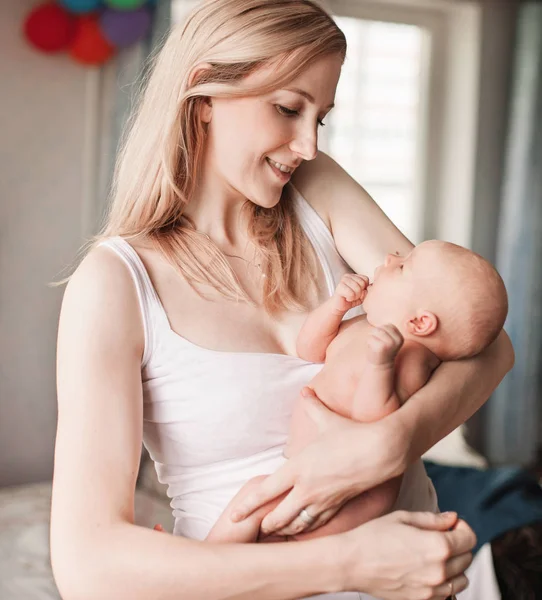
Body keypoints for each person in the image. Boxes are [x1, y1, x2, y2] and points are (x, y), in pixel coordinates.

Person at [50, 1, 514, 599]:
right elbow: (88, 567)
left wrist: (393, 441)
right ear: (203, 94)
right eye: (289, 108)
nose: (309, 145)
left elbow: (485, 342)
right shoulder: (117, 283)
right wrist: (349, 564)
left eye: (321, 117)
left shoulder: (316, 194)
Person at [204, 240, 508, 544]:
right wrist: (336, 307)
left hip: (357, 496)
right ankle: (205, 568)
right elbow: (310, 349)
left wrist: (380, 365)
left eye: (403, 266)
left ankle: (202, 566)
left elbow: (375, 422)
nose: (390, 256)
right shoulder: (366, 325)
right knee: (259, 517)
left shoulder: (408, 358)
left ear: (420, 322)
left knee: (254, 506)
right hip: (316, 476)